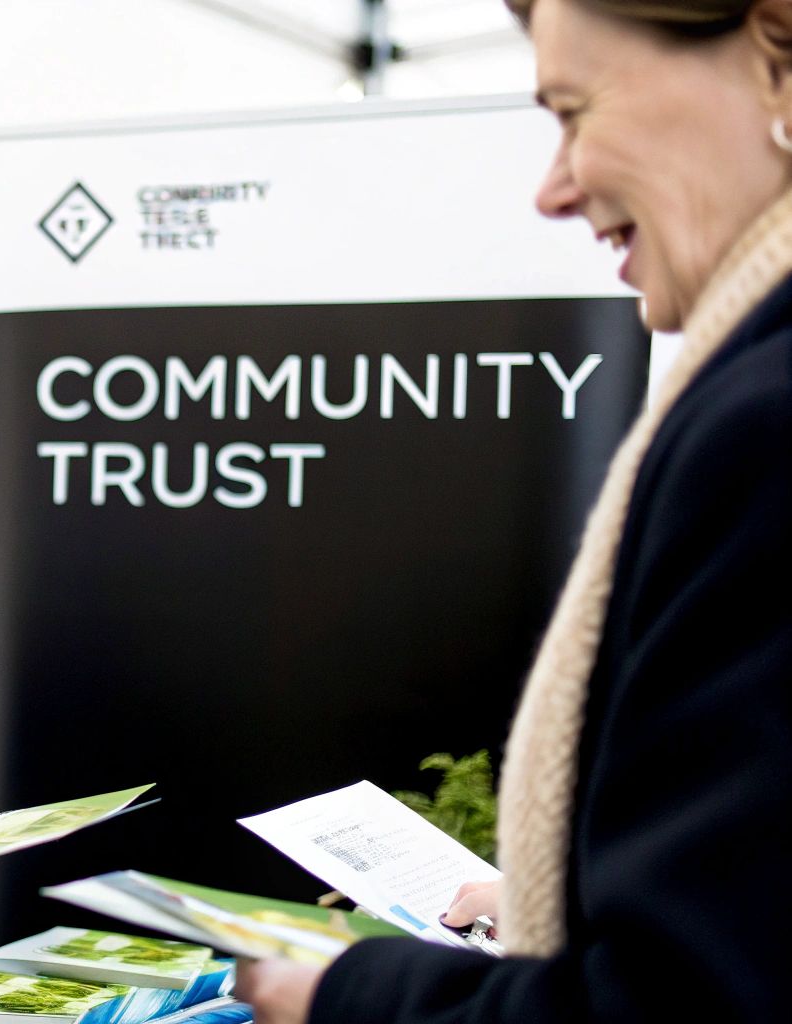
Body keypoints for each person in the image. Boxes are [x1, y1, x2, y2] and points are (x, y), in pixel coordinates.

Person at [234, 0, 792, 1020]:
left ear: (774, 62)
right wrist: (559, 904)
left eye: (573, 111)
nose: (551, 188)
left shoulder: (762, 429)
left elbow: (681, 1003)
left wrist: (349, 997)